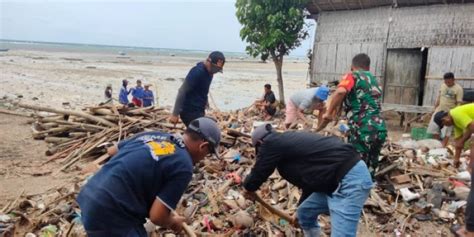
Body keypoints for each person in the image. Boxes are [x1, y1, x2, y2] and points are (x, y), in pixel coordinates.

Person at [77, 117, 221, 236]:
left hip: (88, 195)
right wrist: (172, 221)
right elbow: (157, 217)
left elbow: (113, 151)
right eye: (207, 153)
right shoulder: (184, 166)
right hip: (111, 213)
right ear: (203, 146)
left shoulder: (154, 135)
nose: (204, 158)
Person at [243, 124, 373, 237]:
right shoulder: (288, 145)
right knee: (304, 213)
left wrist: (248, 187)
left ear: (260, 144)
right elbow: (310, 181)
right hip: (334, 181)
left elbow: (259, 172)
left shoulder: (271, 143)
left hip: (349, 181)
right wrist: (300, 207)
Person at [319, 53, 387, 176]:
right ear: (368, 67)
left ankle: (356, 189)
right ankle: (369, 189)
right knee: (371, 164)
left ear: (352, 66)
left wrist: (328, 113)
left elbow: (340, 92)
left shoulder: (352, 76)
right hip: (380, 128)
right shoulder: (374, 80)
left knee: (356, 164)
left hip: (363, 127)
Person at [434, 104, 474, 237]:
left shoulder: (456, 113)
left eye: (444, 122)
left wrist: (464, 141)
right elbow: (458, 142)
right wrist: (456, 159)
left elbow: (472, 126)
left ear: (446, 117)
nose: (446, 125)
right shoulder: (456, 122)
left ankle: (469, 230)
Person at [169, 51, 225, 126]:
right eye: (214, 68)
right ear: (208, 61)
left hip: (199, 110)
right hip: (189, 111)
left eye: (217, 70)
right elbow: (182, 91)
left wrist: (206, 100)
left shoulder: (210, 73)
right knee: (199, 133)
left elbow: (203, 89)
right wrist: (175, 114)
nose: (215, 71)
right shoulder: (197, 72)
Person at [427, 72, 463, 147]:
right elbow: (439, 97)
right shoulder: (443, 85)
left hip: (449, 113)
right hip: (439, 110)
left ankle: (442, 147)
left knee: (447, 131)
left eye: (449, 82)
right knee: (435, 128)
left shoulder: (458, 89)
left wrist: (452, 115)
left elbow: (459, 104)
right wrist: (434, 108)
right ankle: (435, 146)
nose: (447, 84)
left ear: (453, 80)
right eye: (446, 82)